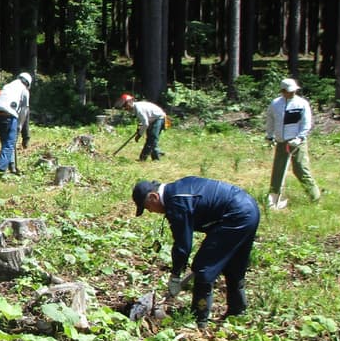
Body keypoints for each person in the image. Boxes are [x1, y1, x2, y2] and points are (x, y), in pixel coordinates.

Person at [132, 177, 260, 327]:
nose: (152, 212)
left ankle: (199, 320)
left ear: (154, 197)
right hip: (249, 209)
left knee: (203, 269)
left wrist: (175, 275)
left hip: (236, 215)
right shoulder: (177, 190)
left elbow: (183, 245)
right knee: (233, 265)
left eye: (148, 208)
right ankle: (237, 311)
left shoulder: (177, 202)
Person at [264, 77, 321, 208]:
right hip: (281, 142)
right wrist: (269, 136)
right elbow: (270, 120)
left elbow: (306, 123)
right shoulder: (275, 104)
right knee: (278, 170)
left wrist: (300, 137)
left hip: (297, 143)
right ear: (282, 91)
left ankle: (315, 197)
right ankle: (273, 199)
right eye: (289, 91)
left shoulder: (302, 103)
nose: (292, 93)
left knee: (300, 169)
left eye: (294, 90)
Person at [0, 72, 32, 173]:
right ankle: (0, 168)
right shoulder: (24, 90)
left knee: (6, 143)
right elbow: (25, 110)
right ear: (28, 83)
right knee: (9, 144)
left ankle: (12, 167)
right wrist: (20, 125)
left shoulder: (8, 86)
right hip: (8, 116)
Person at [119, 93, 167, 161]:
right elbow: (142, 121)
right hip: (152, 119)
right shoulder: (135, 108)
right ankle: (157, 153)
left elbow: (145, 123)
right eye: (124, 106)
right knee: (152, 138)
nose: (125, 108)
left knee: (152, 138)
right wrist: (139, 128)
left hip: (159, 118)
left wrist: (139, 135)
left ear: (129, 102)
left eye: (125, 105)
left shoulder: (139, 109)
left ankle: (143, 158)